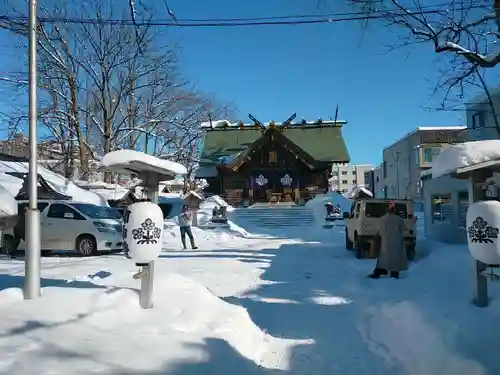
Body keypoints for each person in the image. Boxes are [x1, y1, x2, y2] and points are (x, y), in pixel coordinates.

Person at [368, 201, 407, 279]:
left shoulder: (382, 219)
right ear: (394, 209)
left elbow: (378, 231)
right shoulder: (399, 220)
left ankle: (379, 272)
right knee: (395, 259)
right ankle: (394, 273)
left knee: (383, 259)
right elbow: (403, 230)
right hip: (396, 242)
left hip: (385, 242)